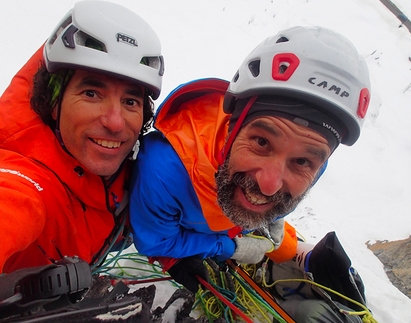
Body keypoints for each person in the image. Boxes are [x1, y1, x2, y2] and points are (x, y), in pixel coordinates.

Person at [130, 23, 371, 301]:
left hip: (231, 215)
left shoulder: (308, 163)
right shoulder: (165, 170)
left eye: (302, 161)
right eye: (261, 142)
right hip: (194, 228)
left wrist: (270, 219)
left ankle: (297, 254)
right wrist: (227, 248)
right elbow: (156, 240)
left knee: (278, 244)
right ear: (233, 126)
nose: (269, 185)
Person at [0, 0, 164, 274]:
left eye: (130, 101)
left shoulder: (126, 167)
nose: (115, 122)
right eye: (91, 93)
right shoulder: (27, 186)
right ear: (53, 102)